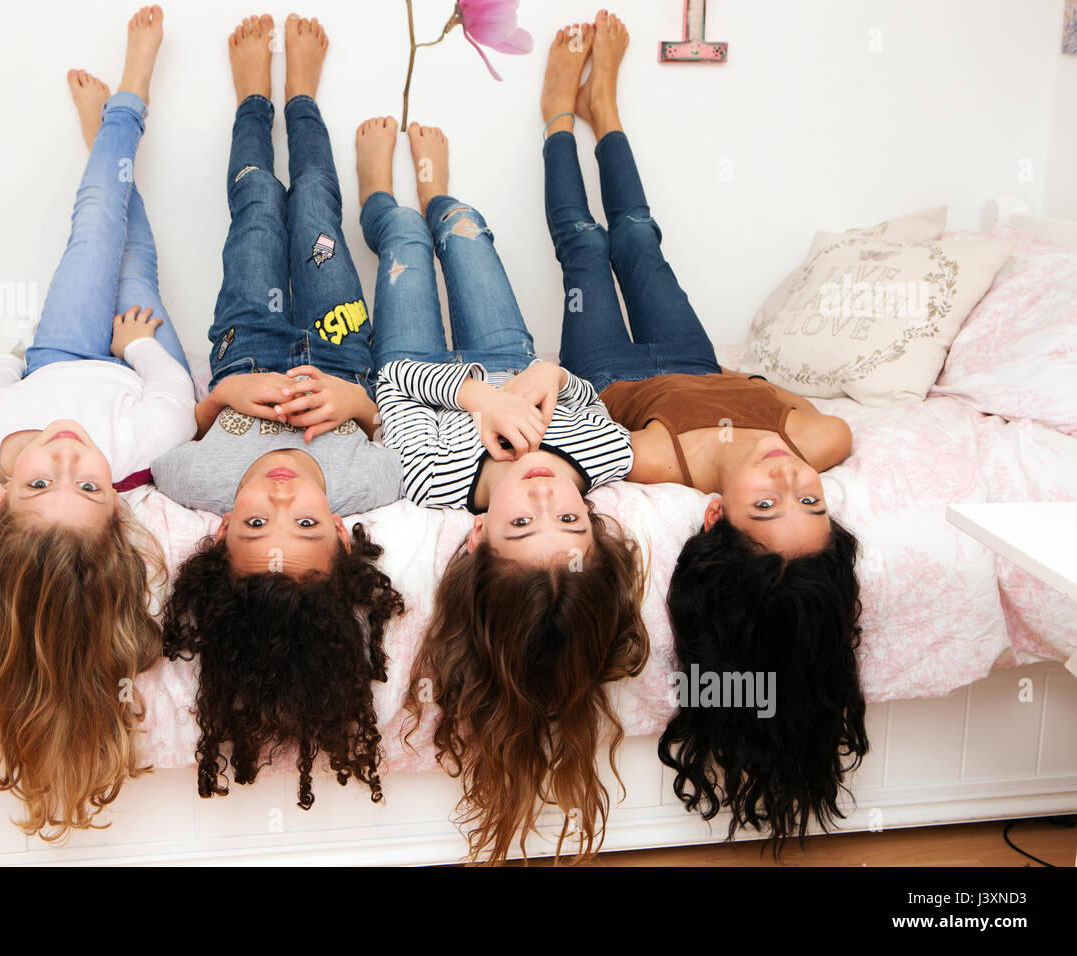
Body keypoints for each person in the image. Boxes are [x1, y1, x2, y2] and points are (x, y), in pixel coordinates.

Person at [540, 11, 867, 854]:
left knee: (584, 247)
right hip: (703, 360)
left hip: (621, 372)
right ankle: (607, 113)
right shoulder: (817, 443)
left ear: (716, 515)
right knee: (641, 240)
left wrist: (589, 388)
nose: (786, 470)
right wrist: (763, 394)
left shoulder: (662, 463)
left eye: (770, 500)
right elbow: (823, 424)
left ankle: (554, 122)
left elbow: (583, 415)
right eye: (810, 498)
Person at [0, 6, 192, 840]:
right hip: (129, 357)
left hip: (60, 349)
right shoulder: (143, 446)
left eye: (43, 481)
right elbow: (175, 402)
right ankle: (108, 141)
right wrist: (143, 347)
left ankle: (125, 104)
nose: (70, 454)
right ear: (122, 506)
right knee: (138, 258)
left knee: (96, 234)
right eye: (89, 485)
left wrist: (6, 353)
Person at [354, 112, 646, 864]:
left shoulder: (430, 480)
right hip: (508, 352)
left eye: (525, 524)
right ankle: (440, 192)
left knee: (408, 241)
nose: (545, 493)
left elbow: (393, 387)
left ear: (479, 536)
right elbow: (582, 398)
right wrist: (548, 377)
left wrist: (478, 401)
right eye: (571, 521)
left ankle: (378, 193)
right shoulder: (600, 457)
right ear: (596, 524)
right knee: (462, 228)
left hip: (427, 365)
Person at [158, 15, 404, 812]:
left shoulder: (201, 482)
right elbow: (394, 435)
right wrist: (356, 401)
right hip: (337, 348)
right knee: (319, 213)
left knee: (259, 205)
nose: (280, 500)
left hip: (247, 343)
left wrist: (222, 395)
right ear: (338, 534)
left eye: (254, 526)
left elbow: (168, 441)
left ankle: (251, 103)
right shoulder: (362, 491)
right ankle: (303, 97)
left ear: (220, 533)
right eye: (303, 527)